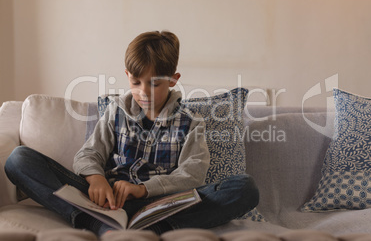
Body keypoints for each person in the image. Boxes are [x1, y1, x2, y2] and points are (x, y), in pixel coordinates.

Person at [5, 31, 259, 236]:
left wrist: (143, 190)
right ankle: (94, 221)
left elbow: (192, 174)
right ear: (127, 76)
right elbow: (89, 153)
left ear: (172, 79)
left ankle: (154, 228)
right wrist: (96, 179)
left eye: (154, 83)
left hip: (159, 204)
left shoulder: (190, 122)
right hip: (105, 200)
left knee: (245, 188)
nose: (144, 92)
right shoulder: (116, 112)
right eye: (136, 82)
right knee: (19, 159)